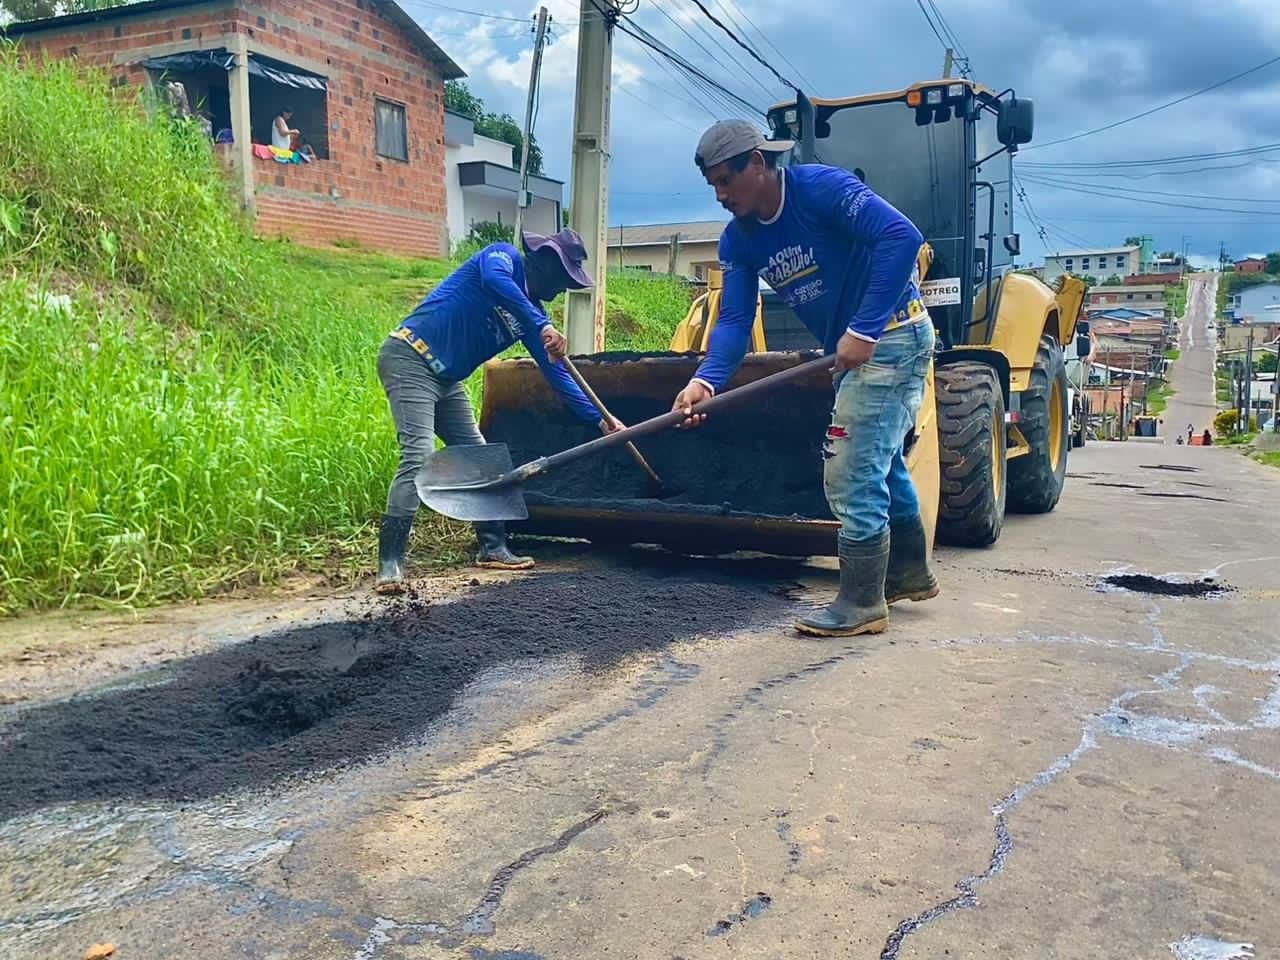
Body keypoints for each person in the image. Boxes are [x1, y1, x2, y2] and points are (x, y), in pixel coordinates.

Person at [674, 120, 936, 638]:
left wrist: (862, 329)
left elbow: (901, 237)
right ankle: (907, 572)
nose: (721, 196)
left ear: (757, 163)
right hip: (855, 350)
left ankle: (862, 601)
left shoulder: (821, 189)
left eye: (726, 181)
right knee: (879, 460)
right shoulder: (739, 240)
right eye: (713, 188)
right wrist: (706, 381)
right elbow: (732, 319)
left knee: (850, 468)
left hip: (893, 335)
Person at [376, 228, 619, 593]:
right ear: (544, 264)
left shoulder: (531, 315)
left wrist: (600, 418)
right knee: (418, 454)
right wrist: (542, 324)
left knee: (484, 459)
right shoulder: (500, 258)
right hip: (410, 356)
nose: (559, 291)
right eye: (560, 280)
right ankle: (390, 563)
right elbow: (493, 281)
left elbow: (557, 374)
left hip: (448, 379)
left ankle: (492, 547)